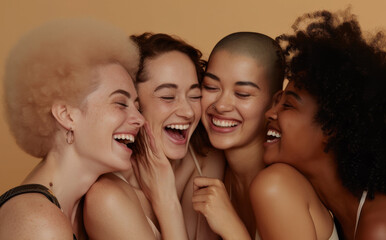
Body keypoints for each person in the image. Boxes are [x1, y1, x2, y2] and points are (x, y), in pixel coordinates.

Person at [258, 9, 386, 240]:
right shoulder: (339, 209)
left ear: (332, 127)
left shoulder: (383, 229)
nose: (270, 113)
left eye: (287, 105)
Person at [0, 19, 144, 239]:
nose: (140, 119)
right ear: (67, 115)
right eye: (120, 103)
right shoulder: (38, 222)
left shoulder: (84, 209)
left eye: (137, 106)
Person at [191, 32, 334, 240]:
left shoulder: (277, 186)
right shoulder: (216, 172)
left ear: (275, 102)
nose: (221, 105)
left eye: (242, 94)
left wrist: (232, 228)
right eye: (211, 87)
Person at [84, 33, 225, 240]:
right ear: (133, 102)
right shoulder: (107, 198)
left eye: (194, 96)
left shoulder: (206, 160)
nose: (188, 112)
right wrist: (166, 203)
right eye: (168, 97)